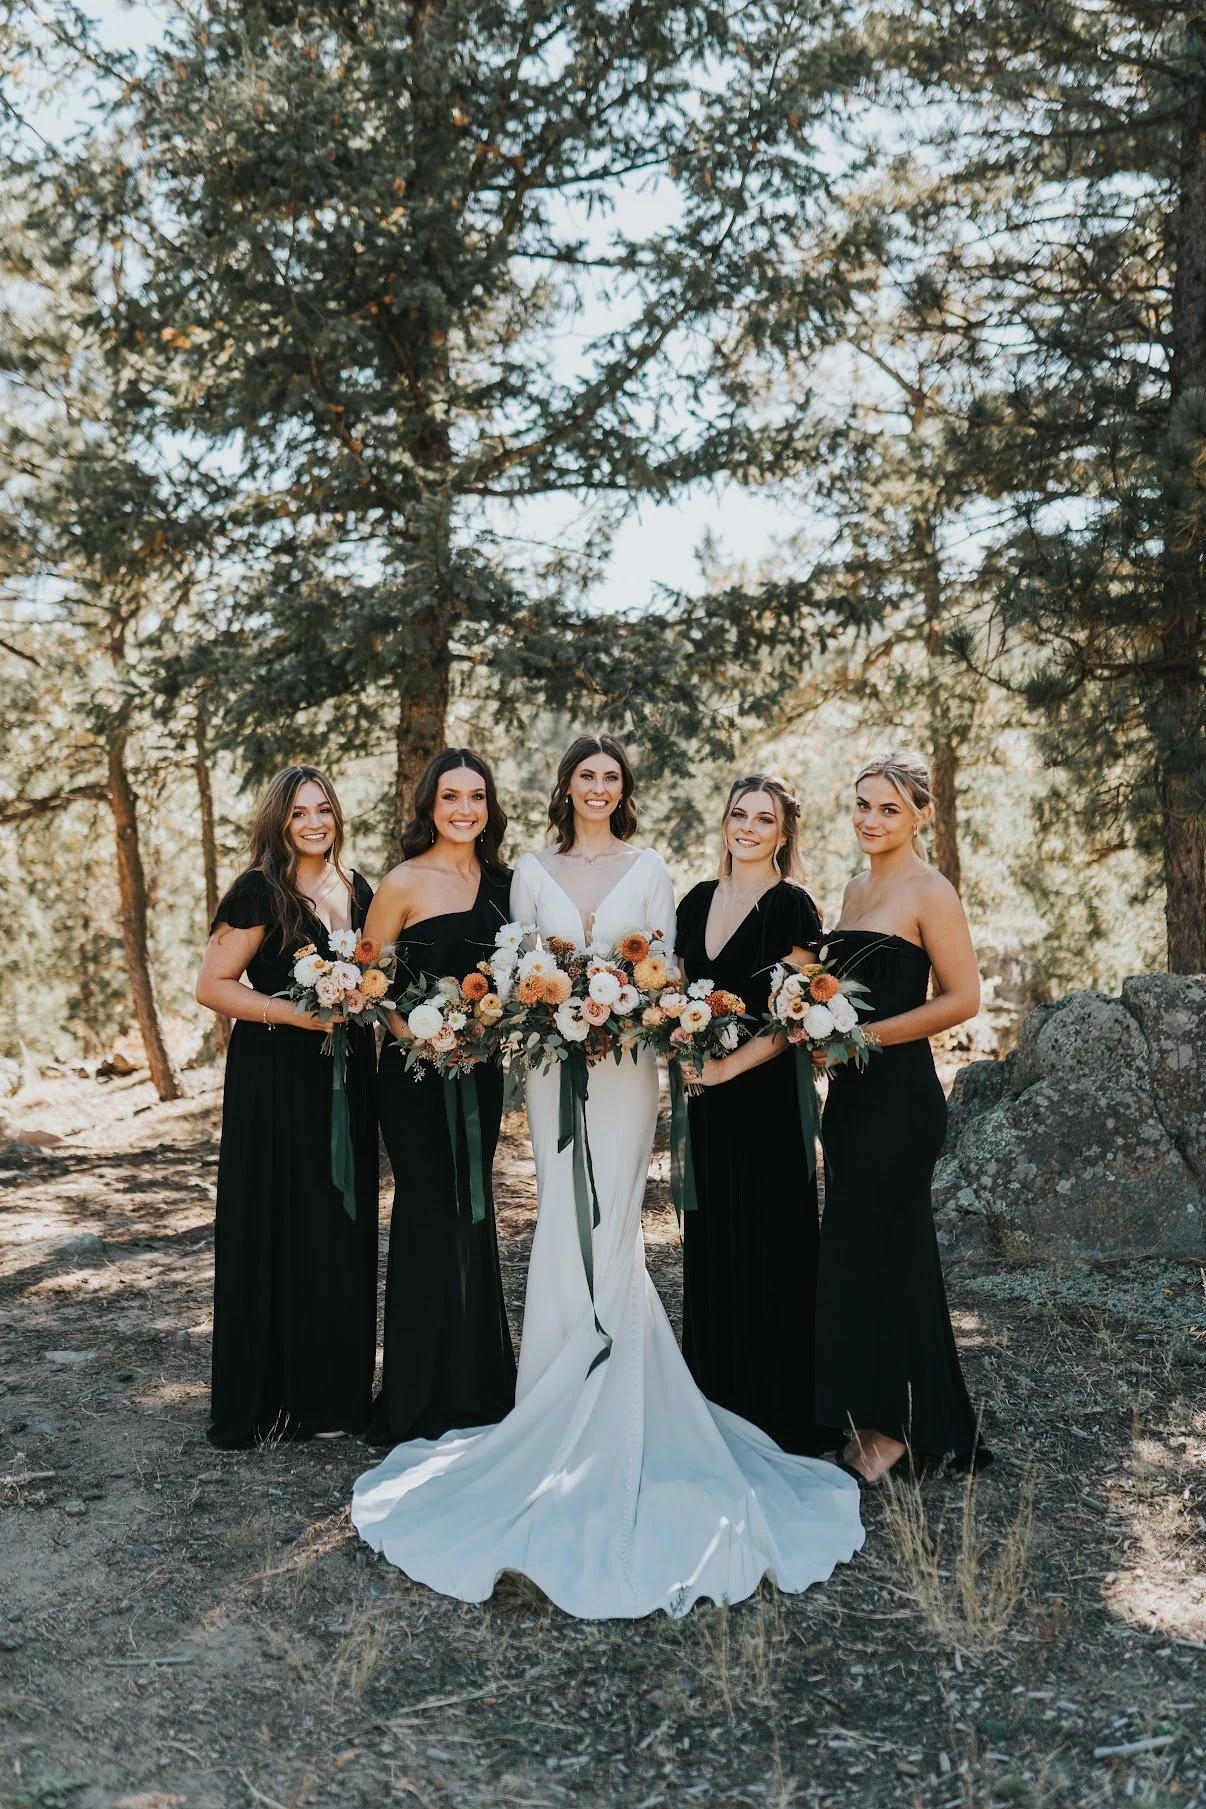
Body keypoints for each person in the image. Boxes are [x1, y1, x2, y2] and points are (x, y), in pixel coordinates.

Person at [351, 735, 863, 1619]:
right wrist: (545, 1007)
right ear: (566, 787)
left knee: (616, 1216)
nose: (597, 787)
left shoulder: (653, 868)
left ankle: (619, 1386)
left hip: (628, 1064)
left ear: (623, 790)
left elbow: (668, 973)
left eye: (611, 777)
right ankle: (553, 1392)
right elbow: (513, 969)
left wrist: (631, 1006)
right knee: (562, 1213)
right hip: (553, 1065)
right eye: (585, 776)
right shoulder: (529, 871)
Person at [815, 750, 986, 1485]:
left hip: (901, 1100)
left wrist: (864, 1038)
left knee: (895, 1252)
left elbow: (963, 998)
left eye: (889, 808)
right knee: (855, 1254)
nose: (871, 819)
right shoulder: (854, 889)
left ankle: (897, 1429)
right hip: (849, 1102)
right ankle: (865, 1408)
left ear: (919, 816)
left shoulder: (930, 890)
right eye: (862, 805)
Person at [195, 765, 377, 1448]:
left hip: (346, 1074)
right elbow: (212, 984)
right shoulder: (258, 891)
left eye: (323, 809)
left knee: (337, 1222)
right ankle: (270, 1397)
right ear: (279, 821)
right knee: (279, 1216)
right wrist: (294, 1014)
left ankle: (333, 1397)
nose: (314, 823)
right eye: (299, 813)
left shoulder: (357, 888)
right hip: (274, 1076)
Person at [362, 749, 516, 1445]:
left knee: (473, 1211)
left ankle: (477, 1385)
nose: (464, 809)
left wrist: (487, 1032)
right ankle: (417, 1395)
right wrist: (420, 1034)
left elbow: (523, 978)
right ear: (429, 804)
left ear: (489, 807)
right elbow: (369, 982)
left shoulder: (507, 885)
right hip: (415, 1076)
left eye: (476, 797)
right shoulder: (401, 882)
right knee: (428, 1212)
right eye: (451, 796)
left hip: (480, 1070)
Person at [674, 775, 827, 1455]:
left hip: (765, 1098)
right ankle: (716, 1397)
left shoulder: (792, 907)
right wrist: (683, 1046)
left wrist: (726, 1068)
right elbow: (678, 991)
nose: (748, 827)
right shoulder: (695, 899)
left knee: (771, 1240)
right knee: (714, 1238)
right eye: (739, 813)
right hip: (706, 1100)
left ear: (783, 833)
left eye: (764, 819)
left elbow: (794, 1015)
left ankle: (776, 1411)